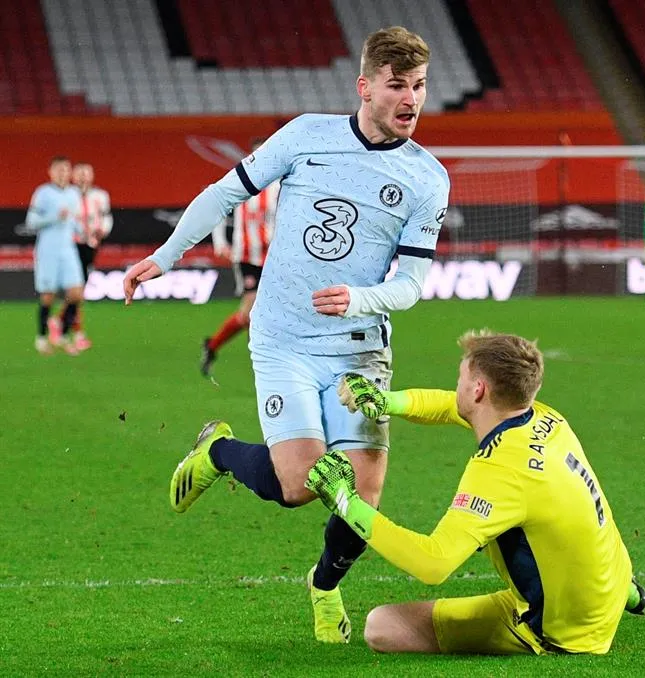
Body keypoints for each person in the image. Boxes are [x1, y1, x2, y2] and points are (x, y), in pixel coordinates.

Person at [122, 27, 450, 644]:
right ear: (365, 87)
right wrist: (167, 257)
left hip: (358, 346)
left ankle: (324, 587)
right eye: (398, 85)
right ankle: (218, 451)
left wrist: (362, 297)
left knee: (363, 493)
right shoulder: (306, 135)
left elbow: (411, 284)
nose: (412, 99)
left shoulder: (427, 178)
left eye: (420, 86)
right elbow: (225, 192)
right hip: (282, 340)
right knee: (298, 487)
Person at [303, 330, 645, 656]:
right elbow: (447, 406)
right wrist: (386, 402)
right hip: (613, 576)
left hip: (569, 632)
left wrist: (347, 502)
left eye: (461, 379)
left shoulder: (499, 470)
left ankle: (552, 627)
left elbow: (432, 564)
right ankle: (627, 592)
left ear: (478, 391)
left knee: (382, 625)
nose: (456, 388)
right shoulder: (546, 417)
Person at [202, 138, 280, 377]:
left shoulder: (279, 185)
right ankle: (256, 357)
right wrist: (220, 242)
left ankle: (217, 346)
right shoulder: (239, 183)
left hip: (274, 256)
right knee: (250, 312)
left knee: (269, 310)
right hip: (246, 256)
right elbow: (219, 210)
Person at [49, 162, 112, 351]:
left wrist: (102, 231)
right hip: (71, 244)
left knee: (78, 290)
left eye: (86, 173)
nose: (83, 177)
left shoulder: (100, 196)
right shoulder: (67, 196)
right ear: (73, 177)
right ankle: (76, 333)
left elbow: (106, 217)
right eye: (79, 174)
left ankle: (60, 323)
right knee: (75, 290)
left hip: (90, 245)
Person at [26, 156, 84, 356]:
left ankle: (61, 332)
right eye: (58, 169)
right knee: (48, 296)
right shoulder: (43, 193)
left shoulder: (74, 193)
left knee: (76, 293)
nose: (62, 173)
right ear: (50, 172)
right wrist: (53, 217)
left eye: (66, 170)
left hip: (68, 249)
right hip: (47, 250)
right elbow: (31, 221)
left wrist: (83, 231)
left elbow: (73, 221)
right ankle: (41, 338)